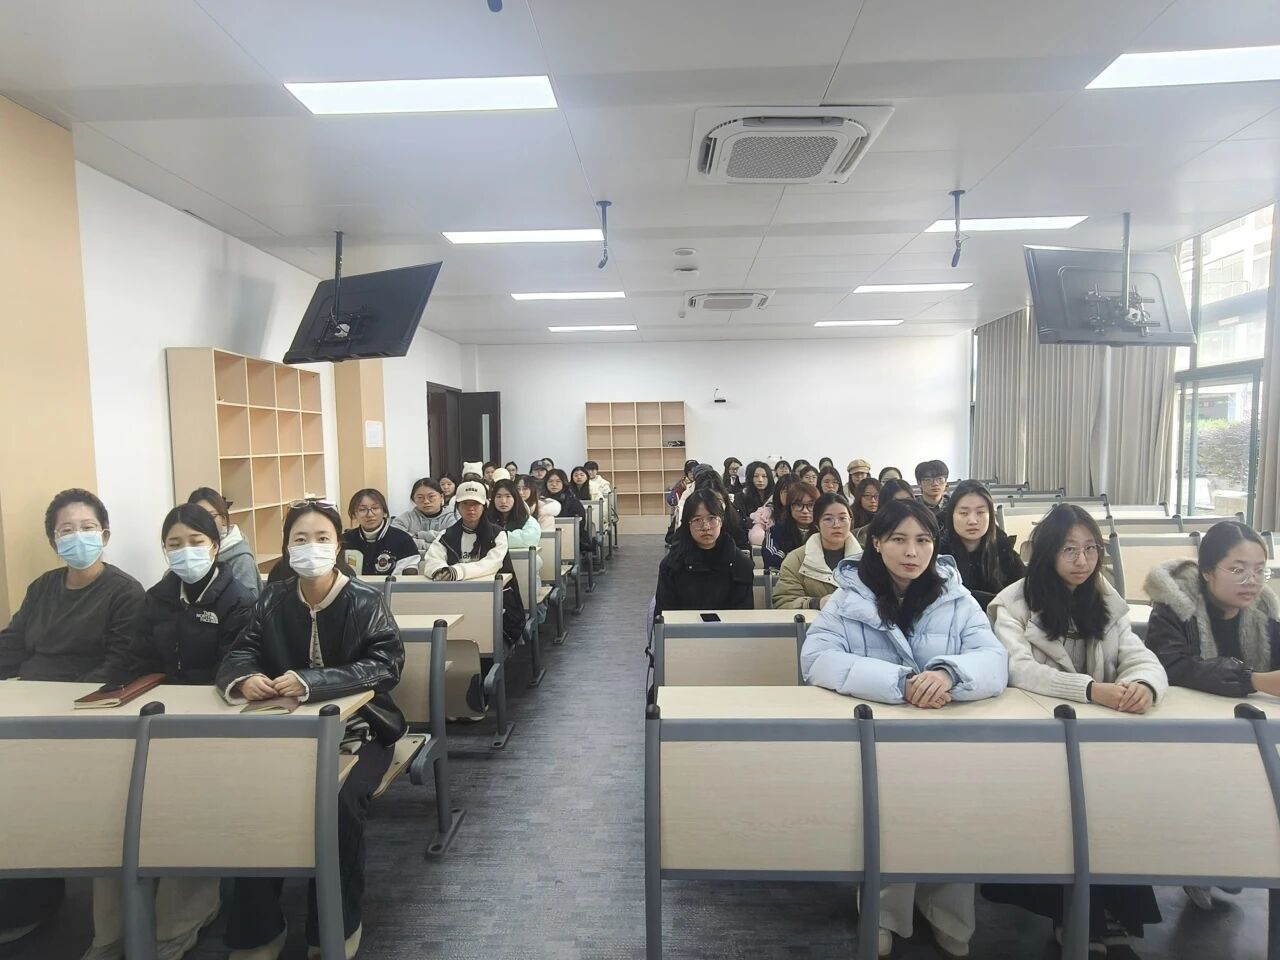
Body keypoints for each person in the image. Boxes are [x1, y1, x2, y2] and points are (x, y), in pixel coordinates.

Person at [801, 499, 1008, 959]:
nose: (912, 552)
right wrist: (898, 683)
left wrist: (949, 674)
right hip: (879, 738)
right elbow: (816, 658)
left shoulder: (956, 598)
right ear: (876, 542)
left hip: (948, 738)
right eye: (899, 540)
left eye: (923, 540)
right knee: (888, 824)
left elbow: (994, 659)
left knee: (951, 822)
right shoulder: (848, 598)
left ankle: (947, 913)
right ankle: (883, 915)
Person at [216, 499, 404, 960]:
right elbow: (241, 651)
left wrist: (313, 682)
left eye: (322, 538)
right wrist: (245, 677)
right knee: (254, 798)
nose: (311, 547)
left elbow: (386, 665)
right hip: (287, 732)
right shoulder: (273, 598)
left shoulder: (365, 600)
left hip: (361, 728)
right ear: (287, 547)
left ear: (338, 545)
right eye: (300, 539)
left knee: (339, 802)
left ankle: (335, 923)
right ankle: (259, 929)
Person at [985, 504, 1165, 954]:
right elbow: (1018, 669)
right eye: (1069, 550)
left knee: (1115, 812)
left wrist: (1143, 684)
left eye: (1090, 549)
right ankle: (1072, 914)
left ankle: (1109, 910)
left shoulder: (1104, 597)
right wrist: (1088, 690)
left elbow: (1139, 655)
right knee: (1061, 820)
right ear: (1047, 552)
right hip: (1040, 739)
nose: (1082, 560)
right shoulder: (1013, 602)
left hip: (1101, 738)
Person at [88, 504, 257, 960]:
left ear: (215, 547)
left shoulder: (239, 599)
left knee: (187, 805)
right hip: (157, 719)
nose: (185, 552)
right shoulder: (157, 598)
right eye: (174, 544)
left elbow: (237, 664)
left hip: (214, 725)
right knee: (113, 802)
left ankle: (180, 919)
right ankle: (111, 930)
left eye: (195, 542)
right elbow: (137, 659)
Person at [0, 490, 146, 947]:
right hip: (26, 706)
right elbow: (13, 644)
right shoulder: (43, 587)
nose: (77, 537)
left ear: (105, 535)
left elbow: (118, 664)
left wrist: (61, 703)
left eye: (87, 528)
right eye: (67, 530)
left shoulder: (124, 592)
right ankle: (22, 899)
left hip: (84, 716)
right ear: (53, 540)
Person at [1143, 520, 1279, 911]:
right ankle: (1200, 857)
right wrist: (1253, 679)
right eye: (1238, 569)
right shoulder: (1174, 607)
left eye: (1259, 570)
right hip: (1184, 734)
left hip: (1244, 730)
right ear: (1207, 571)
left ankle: (1230, 852)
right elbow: (1172, 666)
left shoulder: (1264, 609)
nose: (1251, 581)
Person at [421, 480, 525, 653]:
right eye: (465, 504)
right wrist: (440, 571)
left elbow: (490, 565)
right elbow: (432, 559)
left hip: (496, 599)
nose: (471, 509)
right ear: (457, 507)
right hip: (454, 597)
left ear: (484, 506)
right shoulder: (447, 535)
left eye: (476, 504)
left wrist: (457, 571)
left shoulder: (498, 534)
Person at [653, 490, 753, 619]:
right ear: (687, 524)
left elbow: (743, 618)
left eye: (712, 518)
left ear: (721, 521)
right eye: (697, 520)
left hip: (729, 631)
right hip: (682, 630)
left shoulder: (741, 565)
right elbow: (664, 617)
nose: (706, 527)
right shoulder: (671, 565)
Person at [937, 480, 1025, 611]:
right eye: (964, 513)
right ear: (951, 516)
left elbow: (1024, 590)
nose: (972, 521)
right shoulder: (939, 555)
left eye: (980, 512)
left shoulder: (1003, 549)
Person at [773, 493, 862, 610]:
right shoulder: (796, 560)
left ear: (851, 521)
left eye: (842, 518)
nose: (836, 525)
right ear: (817, 524)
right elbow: (784, 602)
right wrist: (815, 603)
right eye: (828, 519)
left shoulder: (868, 559)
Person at [187, 486, 260, 595]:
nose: (204, 522)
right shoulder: (188, 552)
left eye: (211, 516)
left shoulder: (241, 558)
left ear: (223, 519)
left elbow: (248, 601)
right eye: (198, 517)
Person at [340, 488, 420, 577]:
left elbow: (406, 580)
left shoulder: (403, 539)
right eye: (362, 509)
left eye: (375, 508)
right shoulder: (344, 540)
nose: (370, 514)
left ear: (384, 511)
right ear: (354, 515)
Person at [762, 481, 819, 572]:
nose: (805, 511)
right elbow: (771, 556)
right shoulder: (776, 530)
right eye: (798, 505)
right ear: (789, 507)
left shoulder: (823, 531)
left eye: (811, 505)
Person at [391, 478, 457, 552]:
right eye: (420, 497)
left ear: (441, 497)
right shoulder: (405, 519)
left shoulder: (453, 517)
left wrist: (418, 535)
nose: (426, 501)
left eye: (431, 496)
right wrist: (427, 545)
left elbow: (452, 541)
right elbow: (395, 538)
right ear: (413, 499)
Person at [487, 478, 543, 555]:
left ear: (515, 498)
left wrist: (496, 538)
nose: (503, 501)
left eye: (508, 496)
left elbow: (529, 539)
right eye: (499, 496)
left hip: (523, 560)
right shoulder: (486, 519)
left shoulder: (527, 520)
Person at [544, 468, 588, 554]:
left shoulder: (573, 501)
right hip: (546, 540)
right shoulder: (541, 501)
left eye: (558, 481)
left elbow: (580, 525)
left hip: (569, 539)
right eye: (550, 481)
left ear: (564, 483)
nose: (554, 484)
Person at [749, 474, 794, 549]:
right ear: (778, 493)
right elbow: (756, 537)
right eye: (786, 491)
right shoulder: (768, 513)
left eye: (793, 491)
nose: (790, 495)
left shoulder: (805, 514)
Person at [736, 460, 774, 531]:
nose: (760, 480)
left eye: (764, 476)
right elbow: (739, 520)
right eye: (756, 476)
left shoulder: (775, 496)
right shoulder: (741, 496)